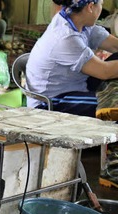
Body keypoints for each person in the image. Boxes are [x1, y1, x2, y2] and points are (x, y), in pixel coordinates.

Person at [26, 0, 118, 186]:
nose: (102, 9)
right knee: (113, 108)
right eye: (100, 4)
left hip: (75, 88)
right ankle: (112, 170)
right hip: (50, 103)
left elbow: (115, 47)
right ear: (90, 7)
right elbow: (104, 71)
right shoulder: (65, 37)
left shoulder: (79, 23)